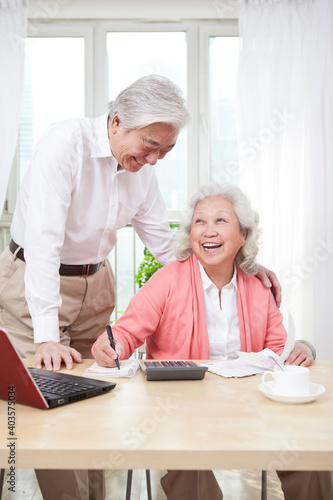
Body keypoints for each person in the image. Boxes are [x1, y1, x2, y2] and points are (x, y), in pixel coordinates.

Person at [92, 182, 332, 500]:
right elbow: (125, 331)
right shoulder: (166, 281)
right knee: (186, 465)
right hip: (179, 410)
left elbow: (281, 355)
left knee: (313, 458)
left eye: (221, 220)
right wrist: (113, 345)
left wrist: (304, 348)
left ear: (243, 234)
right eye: (199, 221)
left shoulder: (259, 289)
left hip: (251, 408)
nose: (208, 231)